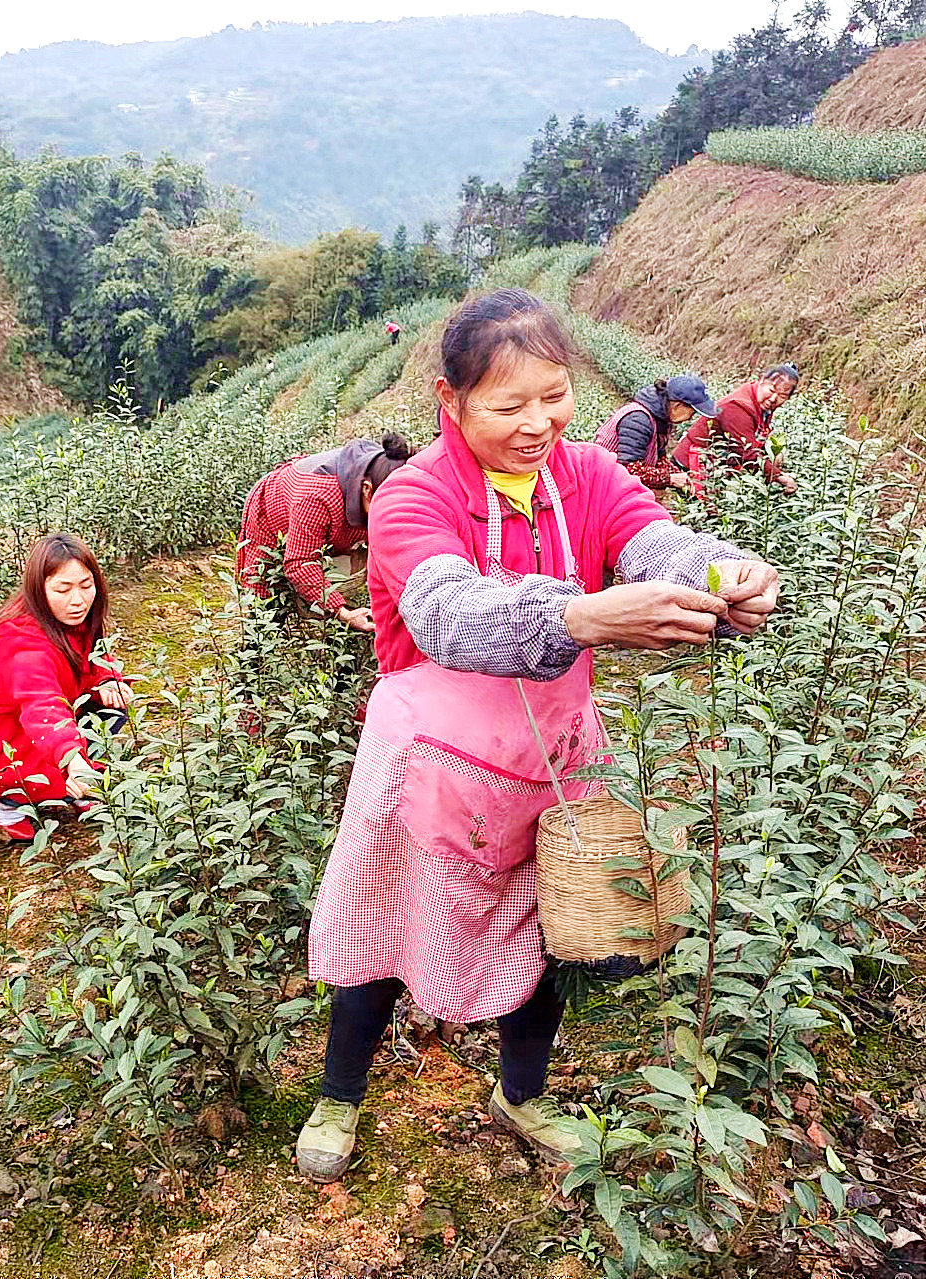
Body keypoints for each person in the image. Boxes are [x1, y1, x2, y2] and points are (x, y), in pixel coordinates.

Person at [295, 289, 781, 1182]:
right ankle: (340, 1092)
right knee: (383, 928)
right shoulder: (414, 497)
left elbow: (656, 542)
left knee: (547, 932)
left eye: (554, 395)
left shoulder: (591, 476)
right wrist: (584, 614)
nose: (538, 423)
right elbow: (445, 611)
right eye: (509, 404)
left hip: (554, 756)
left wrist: (728, 573)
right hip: (431, 764)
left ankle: (522, 1092)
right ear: (452, 401)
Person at [0, 532, 132, 842]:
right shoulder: (21, 642)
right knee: (51, 759)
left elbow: (92, 656)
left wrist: (109, 680)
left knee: (112, 709)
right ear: (38, 590)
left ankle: (76, 785)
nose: (78, 600)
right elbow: (42, 706)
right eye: (63, 589)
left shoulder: (70, 619)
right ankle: (7, 797)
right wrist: (72, 758)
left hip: (34, 727)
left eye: (86, 586)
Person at [236, 433, 415, 632]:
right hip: (271, 514)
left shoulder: (390, 472)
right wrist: (343, 613)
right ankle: (257, 649)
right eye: (385, 507)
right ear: (366, 489)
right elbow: (300, 563)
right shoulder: (317, 498)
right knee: (265, 599)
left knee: (348, 580)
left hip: (326, 512)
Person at [672, 363, 801, 496]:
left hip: (714, 463)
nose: (774, 398)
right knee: (704, 510)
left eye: (782, 395)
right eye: (772, 390)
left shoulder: (761, 404)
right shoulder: (738, 407)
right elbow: (747, 453)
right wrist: (778, 476)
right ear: (761, 381)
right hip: (689, 465)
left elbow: (757, 436)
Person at [593, 374, 718, 493]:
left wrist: (682, 476)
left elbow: (659, 458)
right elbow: (628, 470)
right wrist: (670, 478)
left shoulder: (661, 419)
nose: (690, 418)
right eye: (691, 413)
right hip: (602, 484)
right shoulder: (638, 420)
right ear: (677, 406)